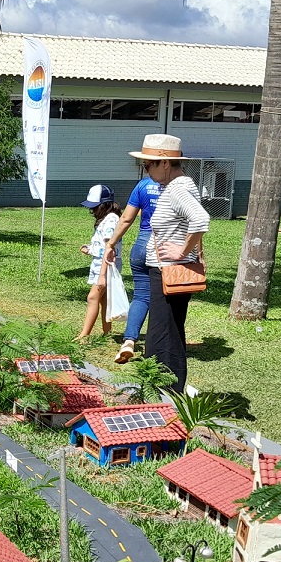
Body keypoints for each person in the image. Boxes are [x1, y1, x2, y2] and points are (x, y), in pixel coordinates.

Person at [128, 134, 209, 394]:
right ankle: (169, 389)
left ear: (164, 163)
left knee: (160, 336)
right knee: (169, 332)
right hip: (169, 271)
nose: (146, 170)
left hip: (168, 272)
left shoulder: (177, 188)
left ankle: (162, 392)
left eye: (148, 164)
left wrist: (181, 250)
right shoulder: (179, 186)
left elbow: (200, 219)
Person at [105, 174, 163, 363]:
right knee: (165, 300)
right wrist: (200, 254)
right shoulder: (177, 185)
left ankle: (129, 341)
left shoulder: (143, 185)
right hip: (164, 249)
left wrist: (110, 245)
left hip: (141, 246)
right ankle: (159, 346)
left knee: (141, 296)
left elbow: (126, 219)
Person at [76, 185, 125, 341]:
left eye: (95, 207)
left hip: (105, 266)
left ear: (104, 204)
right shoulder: (108, 218)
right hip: (101, 264)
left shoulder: (111, 219)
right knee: (103, 300)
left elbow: (109, 248)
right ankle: (107, 334)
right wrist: (90, 249)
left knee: (92, 298)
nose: (92, 211)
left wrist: (102, 275)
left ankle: (84, 335)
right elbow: (103, 245)